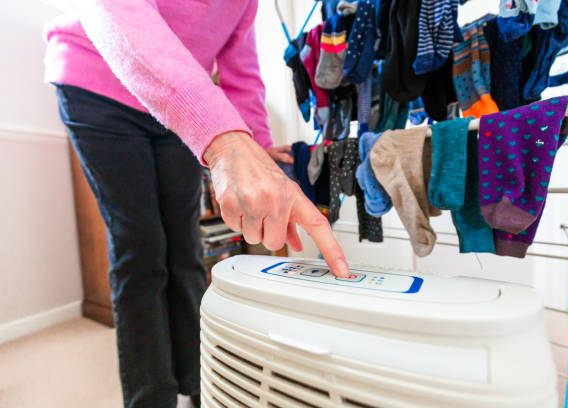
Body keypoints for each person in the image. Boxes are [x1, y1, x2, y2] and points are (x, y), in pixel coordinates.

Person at [43, 1, 349, 407]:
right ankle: (151, 398)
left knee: (187, 248)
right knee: (141, 248)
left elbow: (241, 68)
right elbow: (121, 16)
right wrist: (226, 140)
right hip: (98, 86)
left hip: (176, 103)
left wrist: (255, 144)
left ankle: (200, 383)